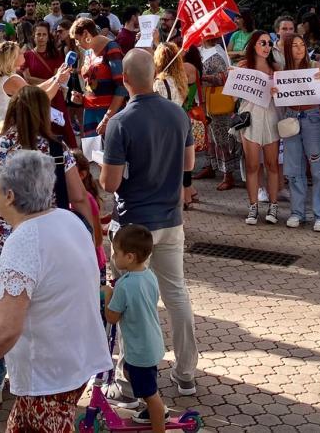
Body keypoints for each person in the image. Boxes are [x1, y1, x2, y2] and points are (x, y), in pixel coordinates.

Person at [0, 151, 111, 426]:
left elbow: (7, 328)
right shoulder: (69, 219)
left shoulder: (23, 242)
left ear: (10, 196)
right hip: (76, 361)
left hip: (48, 375)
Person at [0, 85, 89, 405]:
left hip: (7, 241)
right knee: (46, 308)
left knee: (7, 311)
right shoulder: (54, 149)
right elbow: (78, 197)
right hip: (52, 241)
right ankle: (43, 375)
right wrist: (88, 235)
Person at [100, 48, 199, 402]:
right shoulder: (177, 113)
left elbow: (109, 184)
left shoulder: (121, 122)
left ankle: (131, 372)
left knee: (130, 297)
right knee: (177, 294)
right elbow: (188, 163)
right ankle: (186, 373)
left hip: (133, 224)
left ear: (125, 80)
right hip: (171, 218)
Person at [104, 224, 168, 433]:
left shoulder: (124, 284)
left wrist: (108, 297)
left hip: (139, 350)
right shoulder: (149, 276)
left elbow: (112, 317)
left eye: (116, 253)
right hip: (151, 343)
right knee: (144, 383)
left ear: (130, 257)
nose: (113, 257)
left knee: (150, 394)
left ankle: (158, 423)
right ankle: (153, 409)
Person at [279, 33, 320, 232]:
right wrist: (276, 91)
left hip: (312, 119)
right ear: (287, 49)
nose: (300, 49)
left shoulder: (315, 67)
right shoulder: (282, 71)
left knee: (318, 169)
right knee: (293, 170)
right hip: (292, 119)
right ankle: (297, 212)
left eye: (302, 44)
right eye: (294, 45)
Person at [238, 30, 282, 225]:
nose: (266, 47)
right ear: (253, 45)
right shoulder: (244, 67)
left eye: (268, 43)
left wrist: (276, 92)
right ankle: (253, 206)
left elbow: (285, 98)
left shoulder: (276, 68)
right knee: (252, 165)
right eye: (262, 43)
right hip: (250, 117)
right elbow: (232, 95)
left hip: (271, 117)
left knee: (272, 164)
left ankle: (273, 206)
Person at [69, 17, 128, 140]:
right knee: (92, 157)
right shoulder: (88, 52)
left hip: (109, 115)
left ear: (86, 33)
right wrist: (83, 98)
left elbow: (122, 87)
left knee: (110, 157)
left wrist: (107, 119)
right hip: (90, 113)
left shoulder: (112, 48)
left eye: (77, 39)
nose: (76, 43)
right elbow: (91, 85)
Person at [20, 21, 76, 148]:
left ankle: (73, 159)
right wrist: (52, 80)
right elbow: (27, 78)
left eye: (44, 34)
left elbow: (58, 78)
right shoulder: (27, 55)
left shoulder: (56, 55)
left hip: (55, 97)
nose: (41, 38)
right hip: (36, 98)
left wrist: (52, 80)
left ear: (48, 36)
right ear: (33, 36)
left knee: (63, 128)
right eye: (38, 34)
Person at [198, 35, 240, 190]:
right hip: (207, 100)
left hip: (217, 100)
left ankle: (228, 175)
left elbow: (225, 77)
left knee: (222, 138)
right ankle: (212, 167)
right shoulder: (203, 50)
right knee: (212, 137)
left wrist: (202, 77)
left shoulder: (217, 53)